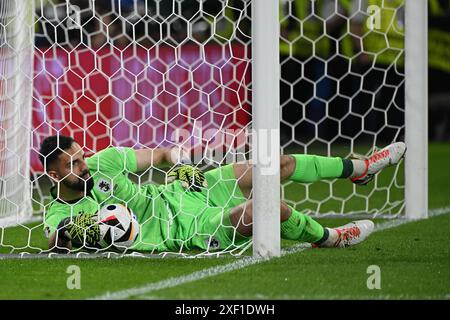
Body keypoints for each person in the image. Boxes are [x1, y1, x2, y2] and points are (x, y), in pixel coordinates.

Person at [40, 135, 406, 253]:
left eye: (81, 157)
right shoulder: (58, 211)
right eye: (72, 165)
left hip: (184, 191)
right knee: (266, 207)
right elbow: (53, 238)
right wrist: (82, 229)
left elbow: (164, 154)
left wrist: (181, 166)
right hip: (185, 230)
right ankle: (330, 238)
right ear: (53, 175)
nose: (83, 166)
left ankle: (360, 168)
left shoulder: (102, 162)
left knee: (275, 164)